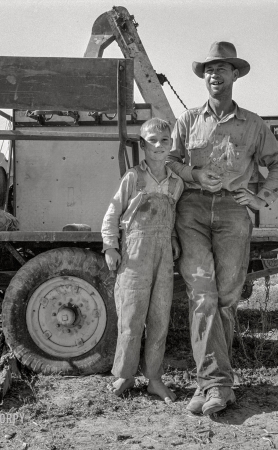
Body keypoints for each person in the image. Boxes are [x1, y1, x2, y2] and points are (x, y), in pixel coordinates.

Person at [167, 41, 278, 415]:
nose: (213, 74)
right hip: (191, 212)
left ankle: (212, 383)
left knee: (226, 298)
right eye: (208, 69)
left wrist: (262, 197)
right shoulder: (188, 120)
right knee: (202, 295)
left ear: (235, 75)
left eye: (221, 68)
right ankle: (216, 384)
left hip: (235, 215)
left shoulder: (253, 124)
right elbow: (170, 160)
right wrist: (193, 173)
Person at [101, 117, 184, 402]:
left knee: (159, 317)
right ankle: (124, 375)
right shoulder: (133, 178)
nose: (159, 146)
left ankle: (155, 379)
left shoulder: (176, 184)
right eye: (152, 140)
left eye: (164, 140)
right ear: (143, 145)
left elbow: (172, 220)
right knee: (131, 315)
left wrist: (172, 241)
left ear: (171, 144)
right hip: (135, 254)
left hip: (163, 257)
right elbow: (112, 214)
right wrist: (110, 246)